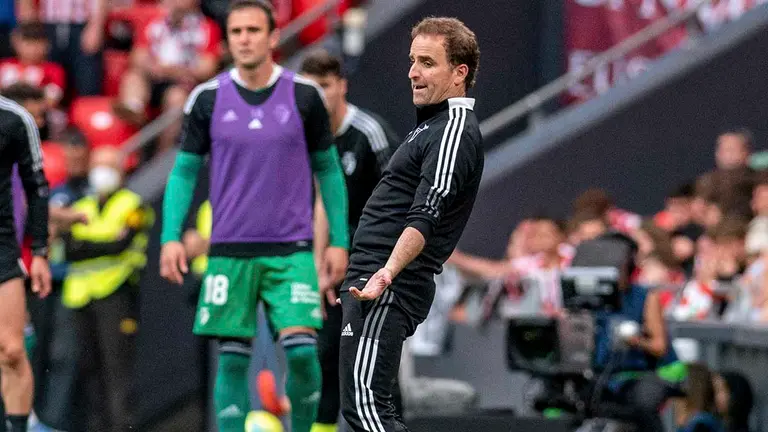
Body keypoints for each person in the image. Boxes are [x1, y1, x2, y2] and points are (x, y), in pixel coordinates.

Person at [158, 2, 349, 432]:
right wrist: (171, 235)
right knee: (231, 359)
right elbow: (184, 171)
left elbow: (329, 171)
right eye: (236, 31)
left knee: (301, 353)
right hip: (229, 252)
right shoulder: (206, 99)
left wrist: (338, 241)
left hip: (292, 250)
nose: (243, 38)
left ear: (273, 37)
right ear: (227, 40)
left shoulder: (304, 96)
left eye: (252, 30)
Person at [337, 17, 483, 432]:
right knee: (362, 408)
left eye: (427, 62)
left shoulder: (453, 129)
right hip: (369, 279)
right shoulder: (428, 127)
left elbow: (427, 211)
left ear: (460, 73)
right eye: (412, 60)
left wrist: (386, 272)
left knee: (369, 410)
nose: (413, 72)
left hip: (388, 284)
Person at [299, 49, 399, 432]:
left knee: (371, 360)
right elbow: (322, 202)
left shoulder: (369, 133)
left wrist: (381, 261)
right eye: (309, 88)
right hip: (336, 259)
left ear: (342, 86)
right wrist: (317, 263)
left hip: (373, 258)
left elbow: (398, 195)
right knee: (323, 354)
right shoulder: (312, 137)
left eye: (324, 86)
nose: (318, 96)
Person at [62, 146, 154, 432]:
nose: (101, 172)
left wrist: (88, 245)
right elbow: (70, 250)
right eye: (97, 165)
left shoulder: (133, 205)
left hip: (116, 294)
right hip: (81, 296)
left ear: (121, 169)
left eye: (109, 165)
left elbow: (122, 245)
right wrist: (103, 245)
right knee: (91, 372)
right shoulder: (82, 206)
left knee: (118, 373)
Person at [0, 92, 51, 432]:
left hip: (1, 249)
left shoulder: (15, 119)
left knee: (12, 351)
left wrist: (41, 253)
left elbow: (38, 188)